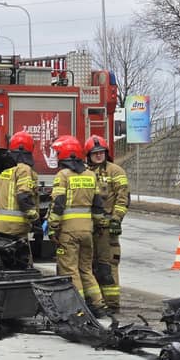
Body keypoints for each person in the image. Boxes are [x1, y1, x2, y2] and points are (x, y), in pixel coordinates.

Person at [46, 134, 109, 319]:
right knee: (86, 269)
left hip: (68, 232)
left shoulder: (63, 176)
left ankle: (78, 308)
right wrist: (99, 224)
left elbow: (58, 203)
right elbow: (98, 205)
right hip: (87, 232)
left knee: (70, 270)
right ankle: (98, 304)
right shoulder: (91, 175)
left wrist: (52, 226)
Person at [85, 135, 129, 313]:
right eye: (94, 153)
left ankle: (111, 304)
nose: (98, 155)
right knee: (89, 265)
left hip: (107, 228)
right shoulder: (85, 172)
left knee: (108, 265)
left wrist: (116, 219)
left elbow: (123, 198)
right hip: (89, 227)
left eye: (101, 152)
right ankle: (95, 302)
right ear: (88, 155)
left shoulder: (116, 171)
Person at [0, 131, 40, 266]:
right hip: (17, 227)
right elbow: (23, 196)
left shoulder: (4, 169)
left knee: (5, 262)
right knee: (24, 265)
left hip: (0, 226)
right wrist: (35, 219)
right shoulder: (23, 169)